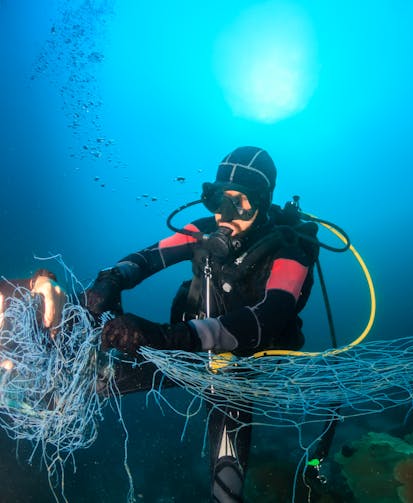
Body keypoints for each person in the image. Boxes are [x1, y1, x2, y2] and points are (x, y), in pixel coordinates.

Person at [83, 146, 320, 502]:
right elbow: (148, 257)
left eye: (240, 203)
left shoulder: (290, 251)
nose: (225, 215)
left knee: (227, 485)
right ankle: (41, 394)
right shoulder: (202, 232)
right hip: (183, 352)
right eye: (217, 200)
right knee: (96, 383)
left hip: (238, 367)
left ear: (264, 199)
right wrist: (112, 279)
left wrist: (169, 336)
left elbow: (270, 315)